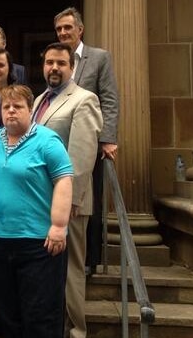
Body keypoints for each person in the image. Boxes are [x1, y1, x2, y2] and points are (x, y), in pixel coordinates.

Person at [0, 84, 73, 338]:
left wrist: (58, 226)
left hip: (38, 244)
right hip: (0, 242)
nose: (11, 111)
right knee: (7, 315)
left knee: (40, 316)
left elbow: (64, 180)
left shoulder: (47, 140)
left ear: (30, 109)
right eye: (6, 106)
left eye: (17, 106)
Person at [33, 42, 103, 338]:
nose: (54, 68)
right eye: (49, 62)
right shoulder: (38, 100)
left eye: (61, 63)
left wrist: (73, 199)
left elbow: (82, 154)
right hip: (40, 200)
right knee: (49, 270)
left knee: (71, 269)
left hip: (70, 203)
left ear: (71, 67)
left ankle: (76, 331)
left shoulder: (84, 99)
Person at [54, 6, 120, 279]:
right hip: (61, 142)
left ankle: (91, 259)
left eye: (68, 28)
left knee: (88, 200)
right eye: (59, 29)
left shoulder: (99, 57)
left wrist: (107, 139)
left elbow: (109, 98)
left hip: (89, 143)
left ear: (80, 29)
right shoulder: (56, 59)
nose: (63, 33)